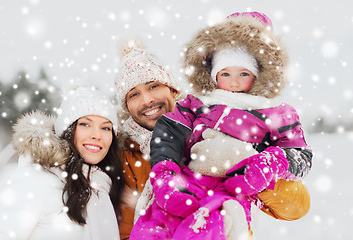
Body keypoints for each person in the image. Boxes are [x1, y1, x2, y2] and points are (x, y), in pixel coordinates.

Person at [130, 11, 312, 239]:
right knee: (157, 223)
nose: (233, 82)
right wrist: (164, 172)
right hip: (191, 178)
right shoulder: (198, 103)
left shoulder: (275, 111)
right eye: (225, 73)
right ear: (213, 75)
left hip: (236, 186)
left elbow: (300, 155)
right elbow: (170, 131)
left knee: (214, 226)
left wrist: (269, 165)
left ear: (260, 75)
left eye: (244, 73)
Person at [0, 87, 124, 240]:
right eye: (85, 124)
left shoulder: (102, 187)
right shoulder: (34, 180)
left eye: (106, 127)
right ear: (66, 130)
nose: (97, 135)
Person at [114, 39, 180, 240]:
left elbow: (278, 205)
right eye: (134, 94)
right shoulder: (124, 156)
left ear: (173, 89)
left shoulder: (207, 131)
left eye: (153, 86)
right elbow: (124, 232)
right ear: (127, 107)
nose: (147, 100)